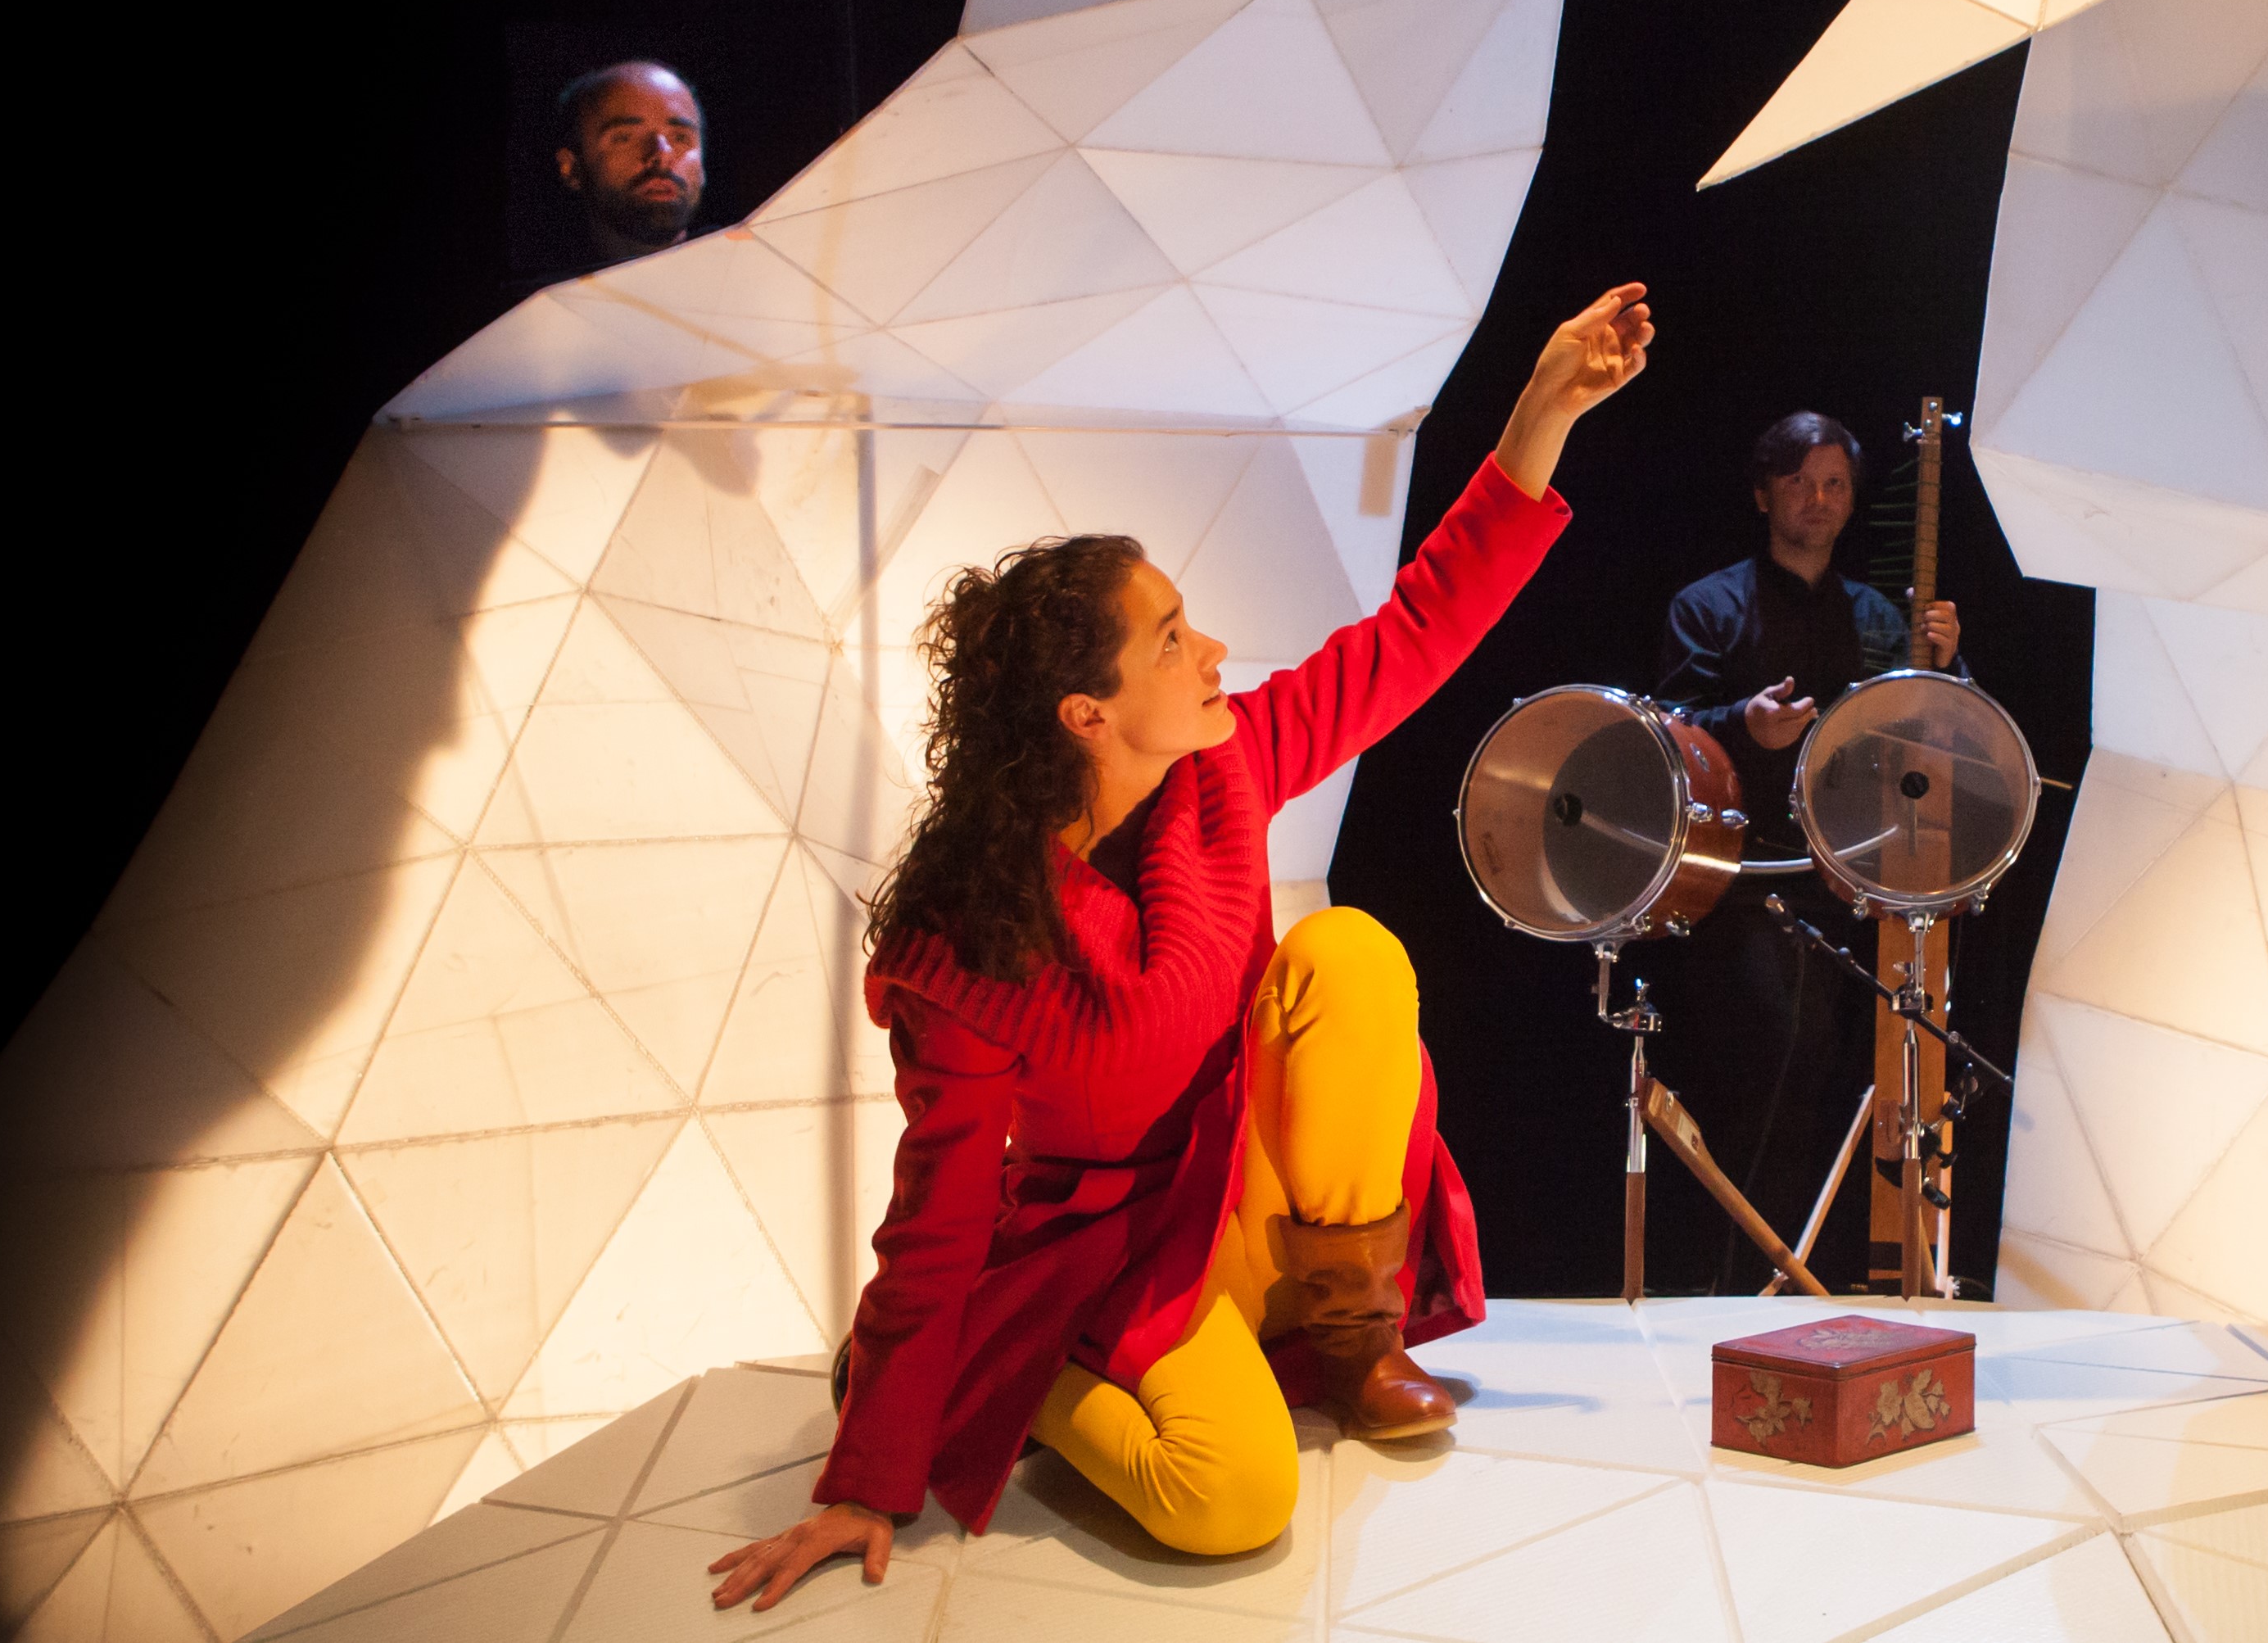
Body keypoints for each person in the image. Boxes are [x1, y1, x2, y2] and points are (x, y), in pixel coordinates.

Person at [707, 283, 1655, 1612]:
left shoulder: (1226, 765)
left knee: (1349, 954)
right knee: (1232, 1502)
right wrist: (871, 1472)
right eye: (1170, 641)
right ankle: (1019, 1368)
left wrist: (1539, 414)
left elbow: (1413, 635)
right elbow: (940, 1209)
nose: (1211, 650)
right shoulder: (963, 942)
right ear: (1086, 714)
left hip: (1255, 1192)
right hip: (1121, 1250)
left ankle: (1352, 1335)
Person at [1642, 413, 1959, 1289]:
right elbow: (1667, 730)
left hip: (1852, 884)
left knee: (1827, 1088)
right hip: (1739, 883)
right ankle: (1727, 1287)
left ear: (1852, 500)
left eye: (1834, 485)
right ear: (1763, 494)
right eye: (1798, 482)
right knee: (1762, 1073)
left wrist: (1945, 665)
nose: (1817, 499)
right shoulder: (1708, 605)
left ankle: (1787, 1284)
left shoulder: (1879, 618)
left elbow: (1928, 734)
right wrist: (1743, 724)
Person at [554, 60, 707, 265]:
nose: (663, 154)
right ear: (571, 168)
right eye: (625, 138)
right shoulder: (547, 286)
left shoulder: (745, 266)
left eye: (680, 138)